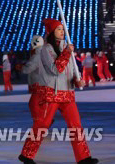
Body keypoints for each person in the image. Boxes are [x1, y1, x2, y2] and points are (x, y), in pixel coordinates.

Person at [19, 19, 98, 164]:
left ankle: (83, 158)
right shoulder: (45, 50)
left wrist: (77, 80)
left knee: (76, 125)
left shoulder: (67, 49)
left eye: (63, 29)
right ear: (51, 32)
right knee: (42, 125)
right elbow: (56, 69)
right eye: (59, 29)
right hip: (51, 94)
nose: (62, 31)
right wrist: (68, 52)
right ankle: (27, 155)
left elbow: (72, 71)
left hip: (68, 94)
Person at [21, 36, 44, 124]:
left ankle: (41, 122)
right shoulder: (43, 53)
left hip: (39, 83)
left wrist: (22, 68)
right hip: (42, 83)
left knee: (34, 104)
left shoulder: (37, 55)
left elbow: (29, 68)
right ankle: (43, 121)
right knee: (39, 105)